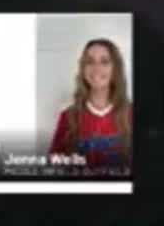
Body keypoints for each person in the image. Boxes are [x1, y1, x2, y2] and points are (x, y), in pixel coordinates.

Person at [47, 38, 132, 172]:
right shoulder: (68, 117)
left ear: (115, 69)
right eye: (90, 62)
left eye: (104, 62)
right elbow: (54, 166)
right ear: (83, 68)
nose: (96, 68)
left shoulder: (132, 114)